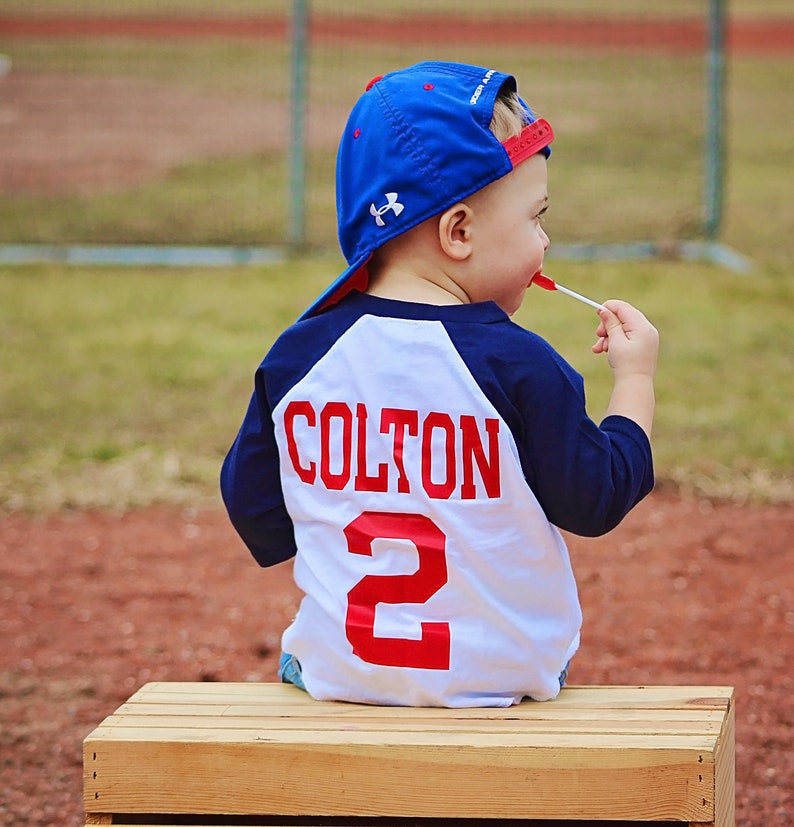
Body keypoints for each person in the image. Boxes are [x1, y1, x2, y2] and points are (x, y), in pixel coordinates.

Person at [221, 61, 658, 708]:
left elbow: (255, 510)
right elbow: (596, 500)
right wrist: (636, 377)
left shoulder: (297, 355)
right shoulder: (520, 364)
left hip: (343, 677)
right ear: (459, 232)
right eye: (536, 218)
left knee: (309, 644)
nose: (545, 240)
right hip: (498, 680)